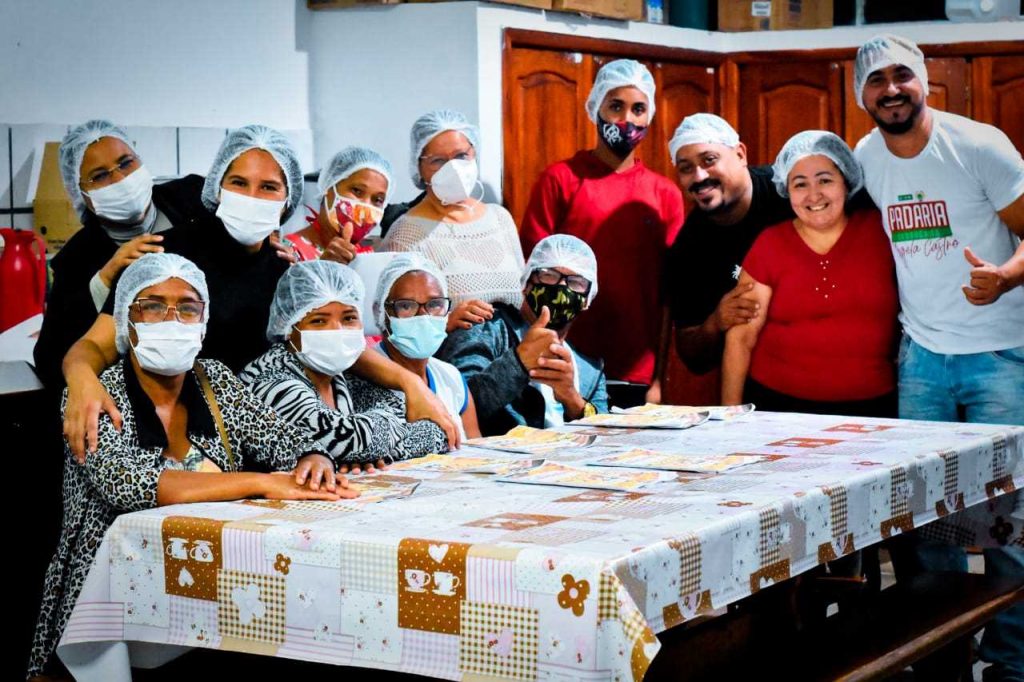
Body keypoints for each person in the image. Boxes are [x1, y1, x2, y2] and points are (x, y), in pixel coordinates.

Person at [26, 253, 356, 680]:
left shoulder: (214, 380)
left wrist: (312, 457)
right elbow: (129, 483)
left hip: (211, 590)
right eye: (152, 305)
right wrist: (265, 482)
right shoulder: (96, 396)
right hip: (111, 600)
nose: (171, 319)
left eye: (187, 307)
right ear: (127, 319)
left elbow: (282, 438)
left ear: (204, 321)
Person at [61, 125, 460, 464]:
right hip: (174, 441)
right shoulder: (165, 257)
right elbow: (92, 346)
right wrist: (81, 382)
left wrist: (413, 386)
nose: (252, 196)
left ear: (288, 199)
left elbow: (339, 339)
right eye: (239, 183)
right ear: (217, 186)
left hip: (259, 439)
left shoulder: (282, 270)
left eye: (268, 187)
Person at [852, 34, 1024, 682]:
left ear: (923, 82)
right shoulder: (865, 159)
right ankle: (948, 663)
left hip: (1000, 355)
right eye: (876, 81)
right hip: (921, 356)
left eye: (902, 75)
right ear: (861, 96)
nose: (891, 89)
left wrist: (1005, 276)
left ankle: (1010, 667)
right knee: (934, 523)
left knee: (1011, 527)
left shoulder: (978, 145)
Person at [519, 59, 684, 406]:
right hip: (567, 364)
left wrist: (661, 377)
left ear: (649, 116)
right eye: (616, 106)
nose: (627, 119)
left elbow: (672, 295)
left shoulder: (665, 194)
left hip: (639, 371)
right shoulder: (560, 180)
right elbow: (530, 282)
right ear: (596, 109)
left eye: (638, 109)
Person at [721, 130, 898, 416]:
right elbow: (741, 336)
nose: (814, 195)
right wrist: (729, 417)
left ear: (846, 182)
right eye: (800, 184)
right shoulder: (770, 244)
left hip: (872, 409)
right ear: (787, 190)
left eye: (825, 180)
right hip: (778, 407)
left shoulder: (881, 232)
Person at [32, 120, 208, 390]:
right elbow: (50, 359)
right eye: (100, 175)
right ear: (81, 194)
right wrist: (103, 281)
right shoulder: (76, 260)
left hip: (212, 372)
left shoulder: (193, 198)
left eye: (126, 163)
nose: (120, 179)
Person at [239, 260, 449, 471]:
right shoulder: (270, 378)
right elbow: (349, 441)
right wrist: (365, 447)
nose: (337, 330)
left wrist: (367, 448)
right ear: (287, 326)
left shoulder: (341, 376)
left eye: (349, 318)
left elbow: (437, 432)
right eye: (319, 321)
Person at [664, 113, 795, 375]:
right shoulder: (689, 248)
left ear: (740, 154)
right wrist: (716, 322)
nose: (699, 176)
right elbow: (692, 356)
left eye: (709, 160)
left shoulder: (790, 191)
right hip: (760, 380)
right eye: (686, 168)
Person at [438, 234, 607, 436]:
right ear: (527, 282)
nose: (561, 287)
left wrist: (572, 399)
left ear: (587, 299)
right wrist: (519, 362)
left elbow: (605, 435)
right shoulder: (485, 329)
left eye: (576, 282)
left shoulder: (590, 371)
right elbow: (456, 406)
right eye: (549, 275)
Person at [381, 109, 525, 333]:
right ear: (419, 168)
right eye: (438, 161)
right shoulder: (407, 234)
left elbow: (523, 296)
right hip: (453, 362)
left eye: (461, 156)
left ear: (474, 153)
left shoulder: (500, 219)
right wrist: (445, 323)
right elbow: (391, 324)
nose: (453, 169)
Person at [372, 253, 482, 441]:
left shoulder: (450, 378)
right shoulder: (364, 376)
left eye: (434, 304)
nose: (423, 316)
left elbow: (479, 451)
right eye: (406, 306)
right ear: (382, 312)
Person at [289, 146, 392, 263]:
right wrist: (324, 267)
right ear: (328, 187)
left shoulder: (367, 258)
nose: (366, 206)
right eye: (357, 191)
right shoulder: (288, 254)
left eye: (378, 200)